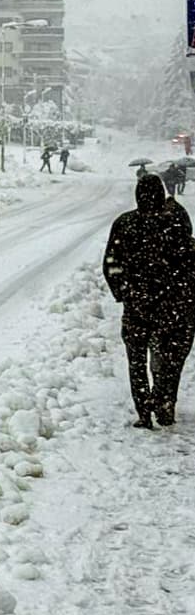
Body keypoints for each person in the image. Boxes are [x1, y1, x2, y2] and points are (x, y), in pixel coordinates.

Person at [103, 174, 195, 428]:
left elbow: (111, 262)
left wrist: (124, 292)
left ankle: (144, 410)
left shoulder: (125, 223)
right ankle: (165, 401)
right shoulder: (176, 221)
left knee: (136, 359)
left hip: (138, 306)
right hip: (173, 305)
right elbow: (188, 260)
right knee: (172, 357)